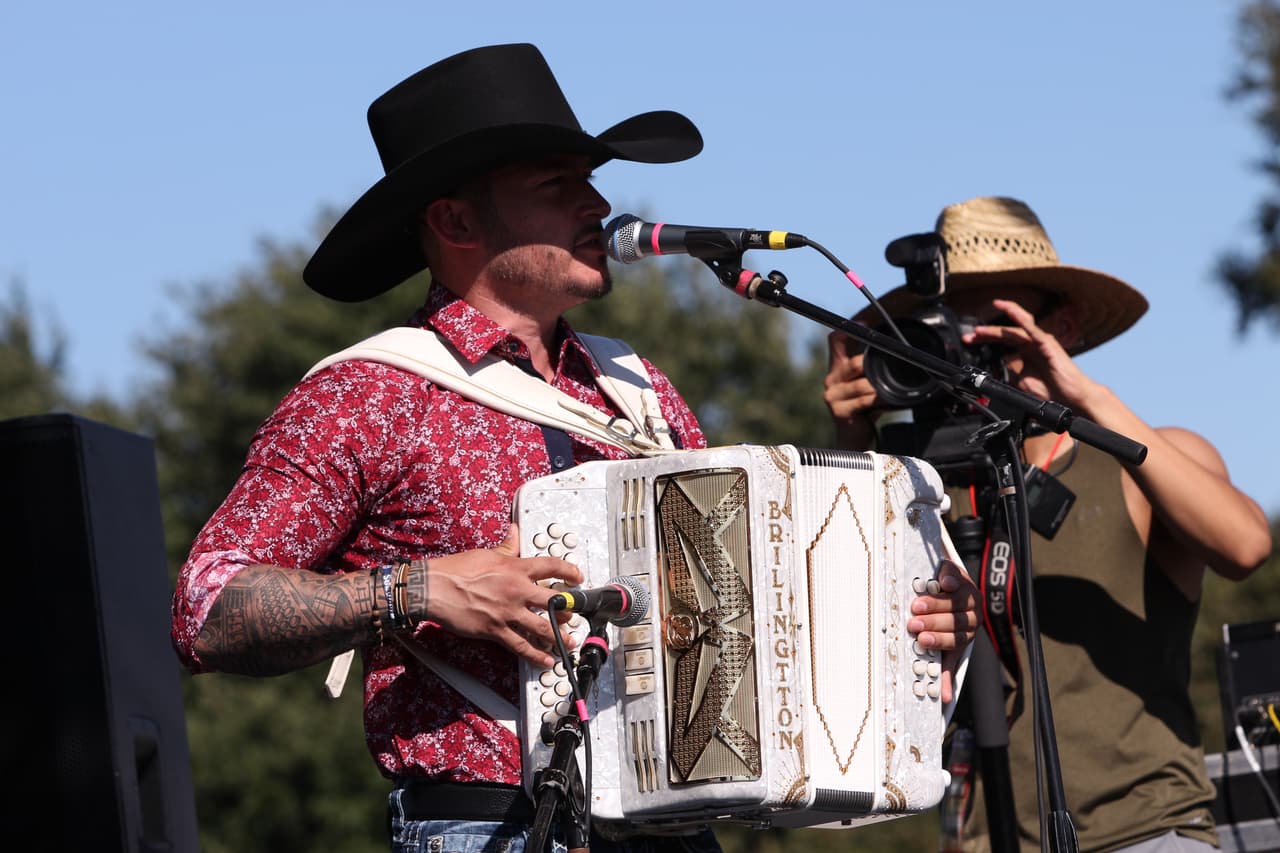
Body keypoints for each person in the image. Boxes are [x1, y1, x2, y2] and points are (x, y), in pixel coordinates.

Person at [170, 43, 980, 853]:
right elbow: (206, 606)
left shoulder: (637, 387)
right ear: (453, 219)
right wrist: (412, 592)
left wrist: (901, 618)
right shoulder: (369, 392)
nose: (598, 202)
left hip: (673, 829)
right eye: (558, 185)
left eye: (591, 178)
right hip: (488, 824)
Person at [823, 195, 1274, 853]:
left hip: (1143, 828)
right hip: (982, 838)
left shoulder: (1140, 462)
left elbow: (1246, 544)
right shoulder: (927, 488)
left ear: (1060, 325)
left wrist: (1084, 395)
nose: (968, 347)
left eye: (993, 324)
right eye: (951, 327)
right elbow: (835, 635)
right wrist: (853, 437)